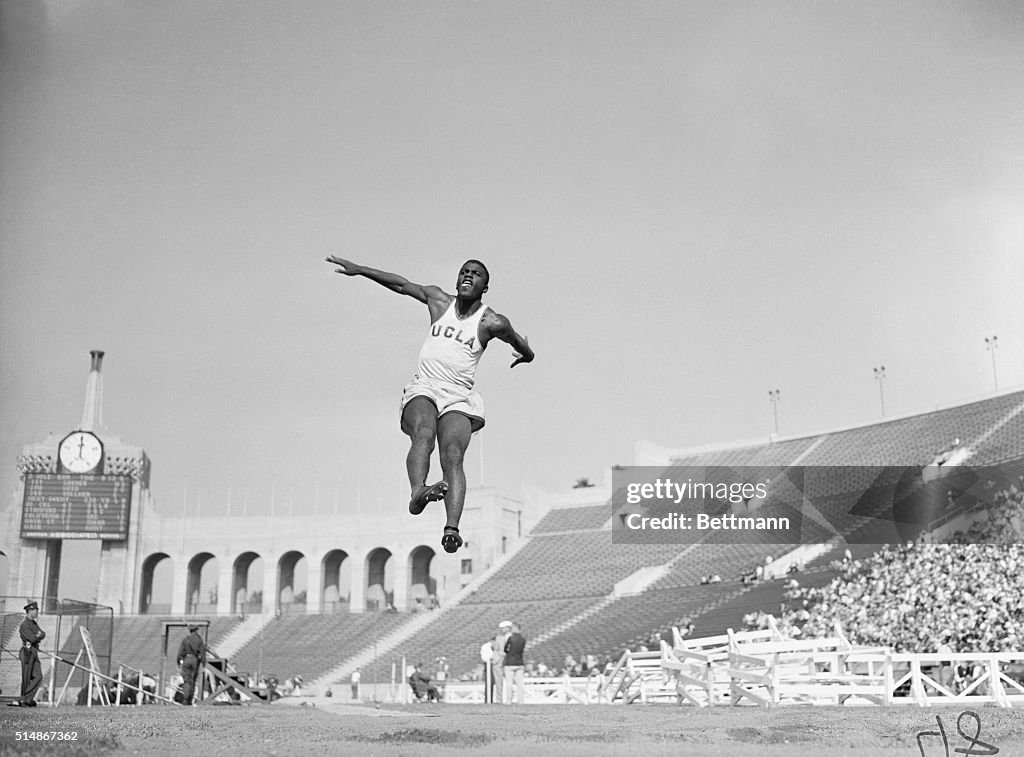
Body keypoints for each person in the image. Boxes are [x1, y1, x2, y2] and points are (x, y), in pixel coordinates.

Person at [325, 256, 535, 553]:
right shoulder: (438, 300)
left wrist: (527, 354)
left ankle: (451, 529)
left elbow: (518, 342)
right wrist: (361, 270)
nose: (467, 276)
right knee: (424, 433)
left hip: (459, 395)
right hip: (425, 386)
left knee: (453, 455)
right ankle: (417, 492)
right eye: (464, 271)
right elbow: (401, 284)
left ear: (484, 287)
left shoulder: (492, 321)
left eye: (475, 274)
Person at [10, 601, 46, 707]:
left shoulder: (33, 624)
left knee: (38, 676)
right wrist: (38, 635)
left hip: (34, 651)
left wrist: (38, 635)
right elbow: (32, 638)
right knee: (26, 677)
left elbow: (42, 634)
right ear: (30, 611)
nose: (37, 612)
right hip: (27, 651)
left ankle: (26, 698)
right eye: (35, 610)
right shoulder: (24, 625)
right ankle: (23, 699)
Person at [176, 624, 206, 705]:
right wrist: (204, 663)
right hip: (195, 659)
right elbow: (202, 652)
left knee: (186, 680)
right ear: (196, 630)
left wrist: (178, 661)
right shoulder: (199, 639)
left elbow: (180, 652)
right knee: (192, 680)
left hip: (186, 659)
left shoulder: (186, 639)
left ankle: (185, 699)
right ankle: (190, 698)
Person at [503, 622, 526, 704]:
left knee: (509, 683)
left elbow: (505, 649)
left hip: (510, 663)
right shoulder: (523, 639)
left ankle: (509, 700)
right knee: (520, 683)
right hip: (519, 662)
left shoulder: (511, 638)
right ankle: (521, 701)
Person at [492, 620, 513, 704]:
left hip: (509, 661)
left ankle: (509, 699)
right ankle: (499, 699)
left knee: (510, 681)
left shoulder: (512, 637)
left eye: (503, 628)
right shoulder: (498, 637)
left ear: (508, 628)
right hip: (499, 661)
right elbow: (496, 649)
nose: (502, 630)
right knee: (498, 681)